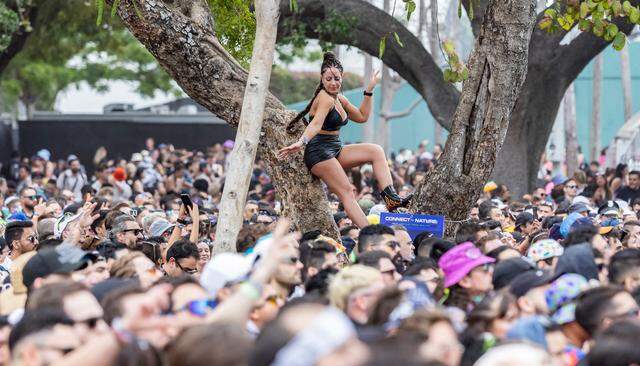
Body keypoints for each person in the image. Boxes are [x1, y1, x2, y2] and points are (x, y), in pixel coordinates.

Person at [278, 52, 410, 228]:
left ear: (342, 78)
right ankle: (369, 231)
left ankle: (391, 199)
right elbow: (316, 124)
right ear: (322, 80)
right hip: (319, 152)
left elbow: (362, 116)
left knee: (376, 151)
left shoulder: (340, 98)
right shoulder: (324, 97)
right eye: (329, 79)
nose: (333, 83)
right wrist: (302, 142)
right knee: (347, 191)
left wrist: (369, 90)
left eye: (337, 78)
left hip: (335, 148)